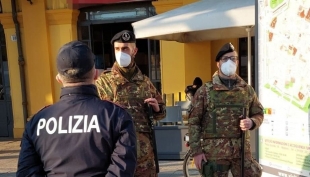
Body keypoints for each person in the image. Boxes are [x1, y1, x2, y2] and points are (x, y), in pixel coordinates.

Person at [17, 41, 137, 177]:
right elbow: (122, 170)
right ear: (96, 74)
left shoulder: (37, 121)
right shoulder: (116, 116)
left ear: (59, 79)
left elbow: (26, 173)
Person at [96, 30, 166, 177]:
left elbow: (161, 113)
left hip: (145, 159)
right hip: (116, 157)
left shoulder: (145, 82)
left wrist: (157, 109)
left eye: (125, 48)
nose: (121, 52)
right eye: (117, 49)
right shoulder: (103, 82)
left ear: (134, 51)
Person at [188, 42, 264, 177]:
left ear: (237, 62)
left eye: (233, 58)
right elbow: (194, 122)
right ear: (218, 63)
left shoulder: (246, 90)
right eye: (225, 59)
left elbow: (258, 112)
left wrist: (252, 122)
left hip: (241, 153)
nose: (230, 62)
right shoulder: (205, 91)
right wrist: (197, 152)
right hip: (214, 154)